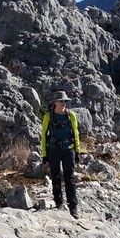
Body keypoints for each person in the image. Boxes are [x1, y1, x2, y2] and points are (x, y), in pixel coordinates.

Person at [40, 90, 81, 218]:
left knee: (70, 178)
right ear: (55, 102)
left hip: (68, 149)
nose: (64, 103)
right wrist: (44, 154)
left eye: (65, 101)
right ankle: (58, 203)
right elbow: (43, 136)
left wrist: (78, 151)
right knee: (55, 177)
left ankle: (73, 207)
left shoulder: (71, 115)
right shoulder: (48, 116)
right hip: (53, 150)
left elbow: (76, 133)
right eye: (62, 101)